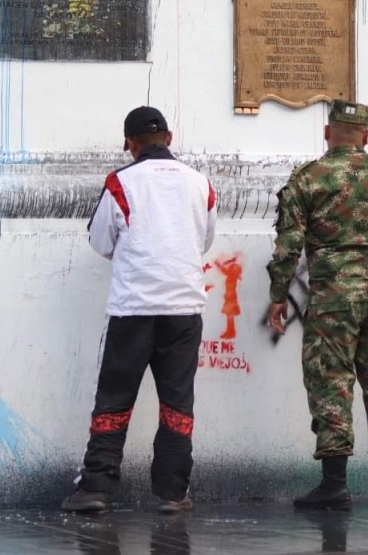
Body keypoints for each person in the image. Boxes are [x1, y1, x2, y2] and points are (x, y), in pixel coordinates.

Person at [62, 106, 217, 514]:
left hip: (135, 309)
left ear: (129, 144)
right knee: (177, 402)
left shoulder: (121, 182)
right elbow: (204, 239)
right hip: (184, 309)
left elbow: (101, 241)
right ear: (169, 137)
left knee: (115, 398)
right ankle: (172, 491)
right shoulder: (200, 183)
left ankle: (96, 487)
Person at [266, 100, 368, 510]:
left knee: (332, 387)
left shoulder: (308, 179)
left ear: (327, 135)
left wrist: (279, 296)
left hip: (334, 302)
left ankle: (334, 485)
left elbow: (289, 245)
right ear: (365, 136)